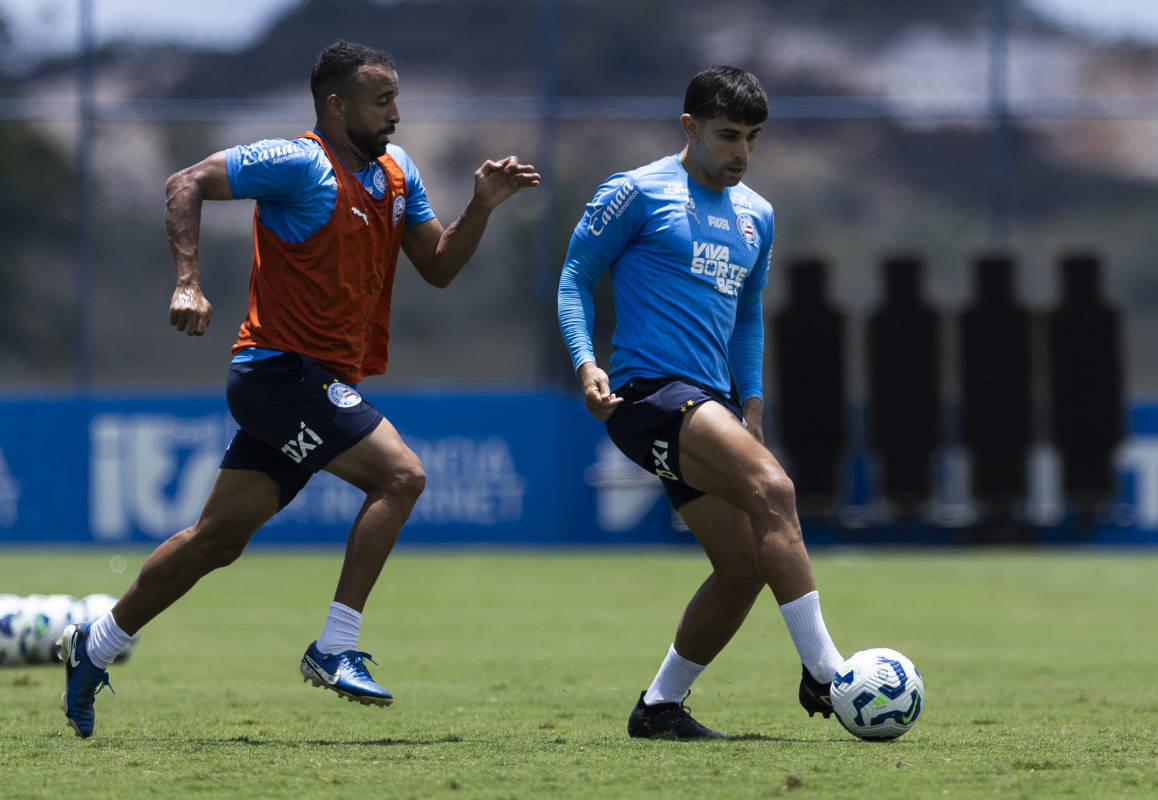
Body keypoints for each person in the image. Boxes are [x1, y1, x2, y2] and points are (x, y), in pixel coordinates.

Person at [58, 40, 539, 739]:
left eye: (398, 99)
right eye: (383, 102)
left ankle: (94, 644)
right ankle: (335, 646)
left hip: (311, 383)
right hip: (278, 375)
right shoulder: (298, 163)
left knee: (215, 540)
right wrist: (188, 282)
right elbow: (184, 182)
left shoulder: (397, 171)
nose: (398, 115)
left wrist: (483, 206)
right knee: (401, 476)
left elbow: (437, 265)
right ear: (337, 107)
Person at [557, 65, 843, 739]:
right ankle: (825, 668)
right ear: (689, 127)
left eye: (753, 138)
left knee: (743, 569)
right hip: (648, 395)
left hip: (710, 401)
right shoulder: (635, 192)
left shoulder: (759, 216)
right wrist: (585, 361)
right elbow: (575, 277)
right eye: (727, 135)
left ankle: (658, 708)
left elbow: (747, 318)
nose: (741, 152)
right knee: (776, 489)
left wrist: (752, 400)